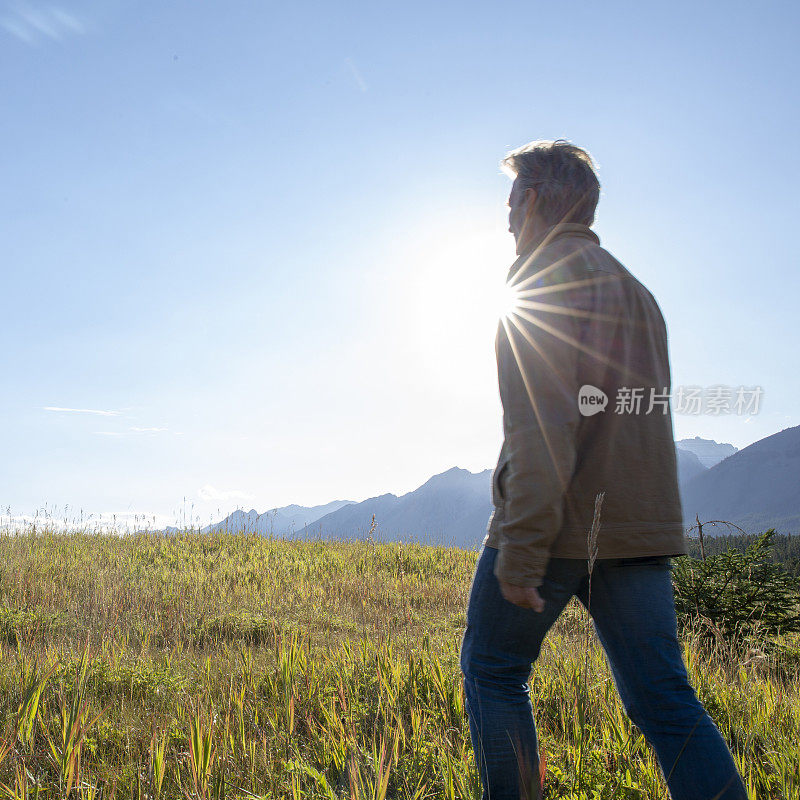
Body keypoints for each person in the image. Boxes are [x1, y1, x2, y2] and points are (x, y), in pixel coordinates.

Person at [459, 139, 747, 800]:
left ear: (532, 200)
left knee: (493, 670)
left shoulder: (535, 287)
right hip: (636, 532)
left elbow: (543, 430)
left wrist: (523, 549)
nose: (505, 217)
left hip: (558, 529)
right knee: (665, 705)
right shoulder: (638, 294)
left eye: (510, 200)